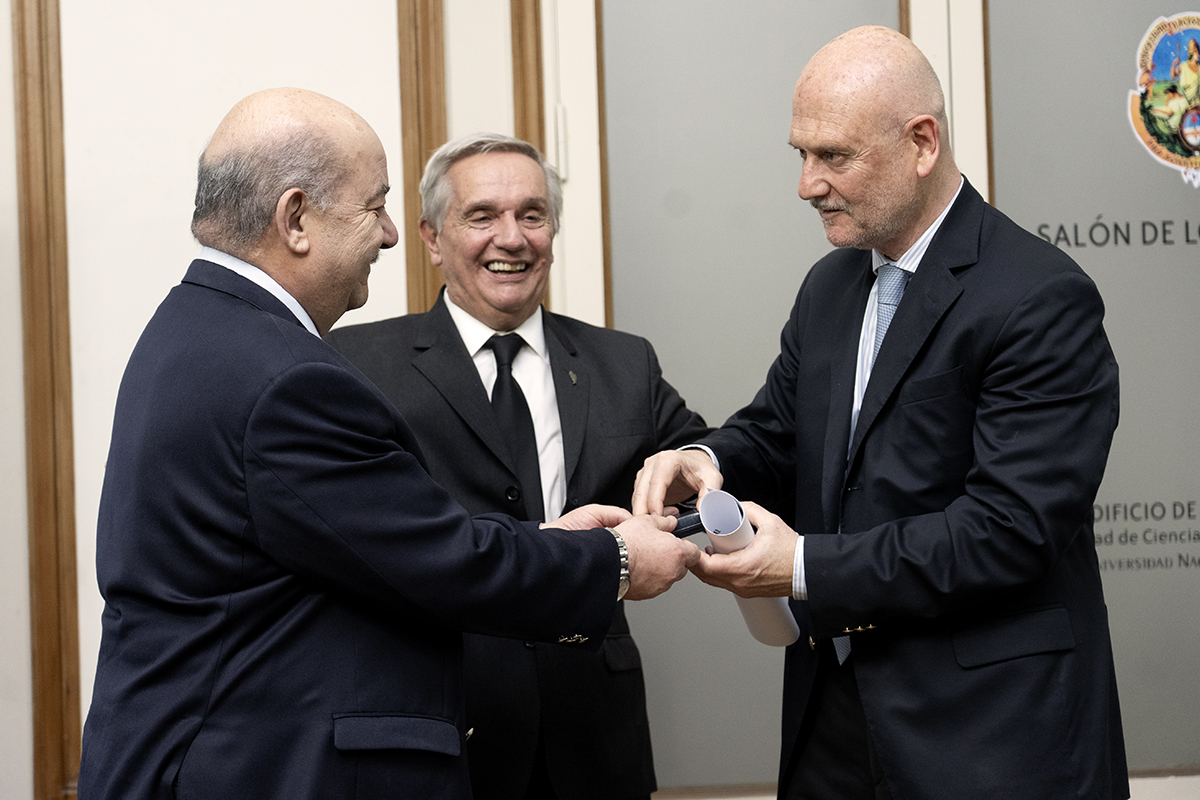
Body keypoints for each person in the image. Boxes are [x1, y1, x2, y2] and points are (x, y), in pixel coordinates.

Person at [77, 88, 700, 800]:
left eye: (532, 215)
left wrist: (548, 539)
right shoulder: (287, 376)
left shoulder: (198, 328)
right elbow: (440, 560)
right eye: (374, 206)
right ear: (296, 219)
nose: (390, 234)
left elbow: (370, 543)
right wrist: (616, 559)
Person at [633, 26, 1128, 800]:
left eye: (834, 156)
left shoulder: (1038, 297)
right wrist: (706, 460)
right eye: (801, 154)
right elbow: (779, 431)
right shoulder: (830, 287)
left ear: (922, 142)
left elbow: (1010, 530)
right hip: (833, 727)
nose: (807, 184)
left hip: (989, 740)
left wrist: (803, 568)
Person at [326, 132, 711, 800]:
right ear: (432, 237)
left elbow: (707, 471)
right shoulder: (356, 363)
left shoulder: (623, 363)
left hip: (595, 733)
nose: (512, 238)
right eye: (482, 216)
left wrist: (691, 475)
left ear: (552, 232)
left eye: (532, 215)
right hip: (438, 724)